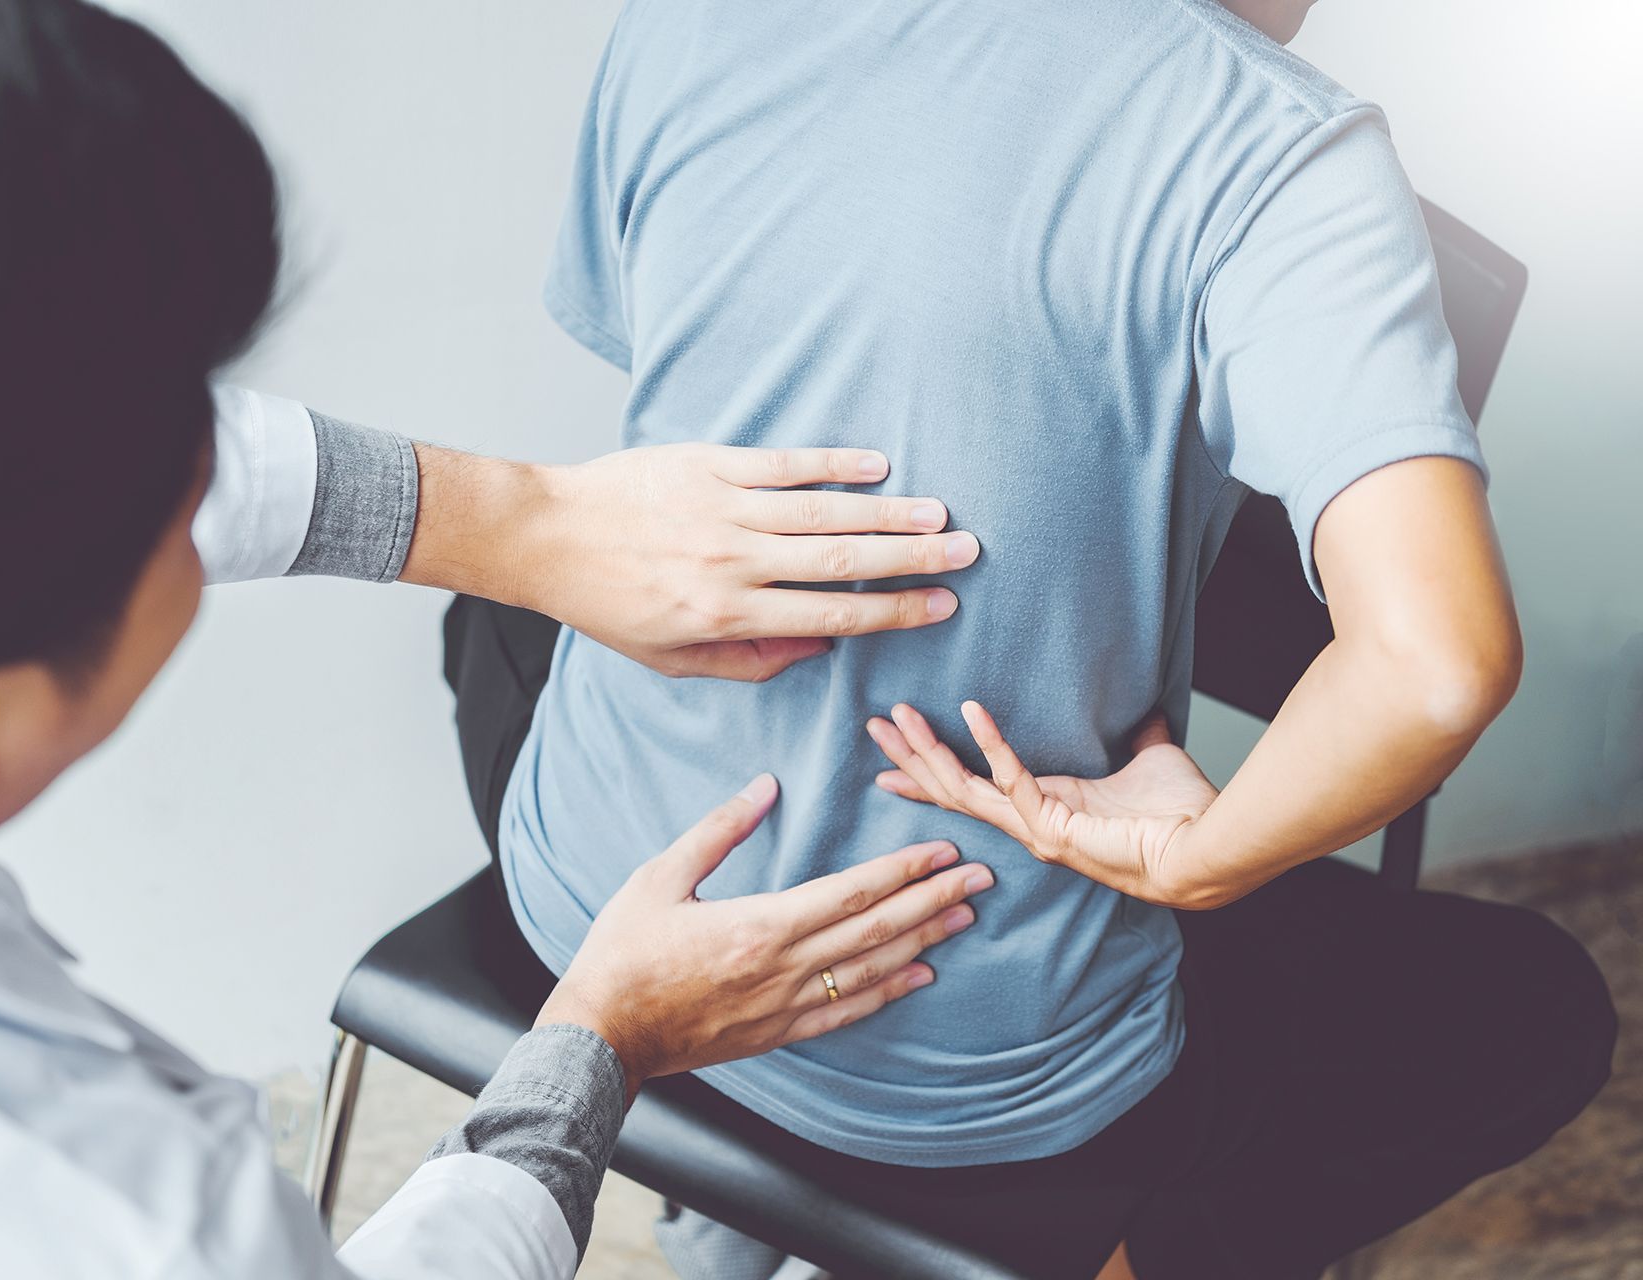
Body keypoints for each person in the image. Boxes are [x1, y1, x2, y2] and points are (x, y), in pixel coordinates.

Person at [0, 1, 999, 1277]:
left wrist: (531, 519)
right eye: (183, 483)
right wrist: (595, 1044)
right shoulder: (117, 1221)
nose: (219, 466)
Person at [462, 0, 1621, 1277]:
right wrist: (1196, 860)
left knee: (493, 615)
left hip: (589, 926)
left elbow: (669, 384)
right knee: (1538, 1008)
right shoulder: (1275, 150)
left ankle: (719, 1220)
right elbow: (1433, 663)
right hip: (967, 1085)